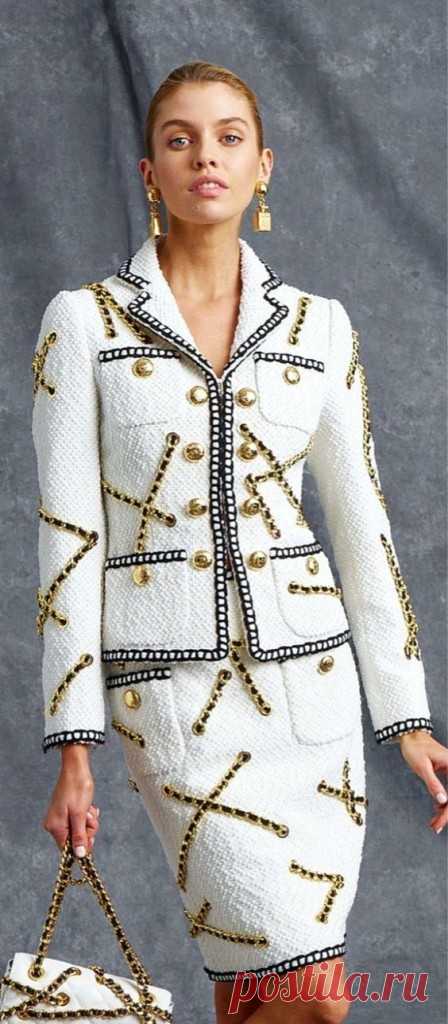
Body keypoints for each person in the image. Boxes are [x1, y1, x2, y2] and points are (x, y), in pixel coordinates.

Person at [32, 61, 447, 1023]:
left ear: (264, 166)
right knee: (309, 995)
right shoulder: (84, 323)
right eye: (179, 139)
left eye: (228, 138)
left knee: (276, 997)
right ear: (150, 171)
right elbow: (68, 538)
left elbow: (363, 527)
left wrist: (407, 715)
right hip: (173, 704)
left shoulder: (321, 328)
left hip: (315, 701)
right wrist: (75, 744)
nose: (204, 157)